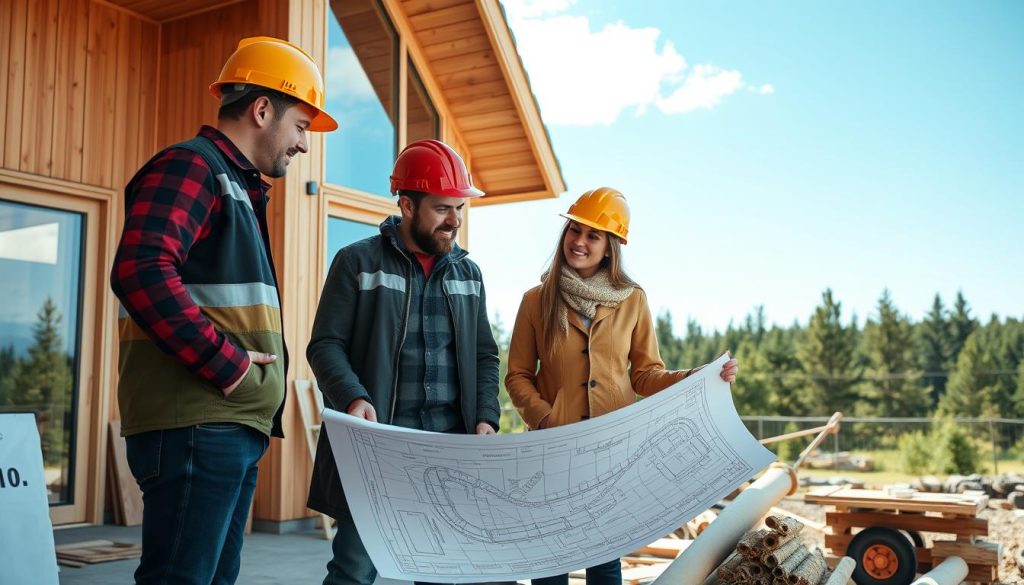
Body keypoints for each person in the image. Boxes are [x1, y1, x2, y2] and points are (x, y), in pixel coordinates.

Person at [109, 37, 337, 585]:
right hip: (198, 425)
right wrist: (230, 367)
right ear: (262, 110)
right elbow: (140, 270)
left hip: (223, 426)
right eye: (301, 126)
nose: (304, 144)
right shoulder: (193, 167)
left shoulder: (233, 184)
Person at [505, 187, 739, 585]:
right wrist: (544, 419)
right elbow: (518, 375)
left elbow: (645, 375)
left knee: (604, 561)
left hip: (611, 452)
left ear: (610, 247)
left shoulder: (632, 301)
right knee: (549, 559)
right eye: (574, 231)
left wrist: (695, 378)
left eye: (592, 235)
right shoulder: (536, 300)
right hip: (552, 449)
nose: (579, 242)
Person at [306, 138, 501, 585]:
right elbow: (324, 345)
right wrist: (353, 398)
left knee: (442, 573)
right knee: (354, 570)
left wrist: (486, 416)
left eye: (459, 208)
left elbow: (485, 356)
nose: (454, 221)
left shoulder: (469, 275)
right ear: (407, 205)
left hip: (448, 456)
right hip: (377, 450)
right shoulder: (357, 262)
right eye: (442, 208)